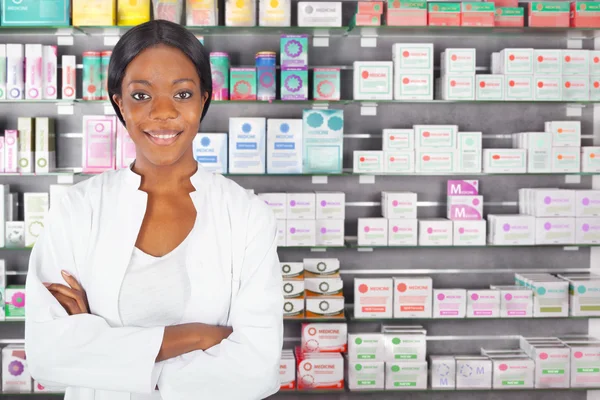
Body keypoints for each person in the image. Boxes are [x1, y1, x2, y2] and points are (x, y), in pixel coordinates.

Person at [24, 20, 283, 400]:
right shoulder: (78, 209)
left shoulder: (247, 215)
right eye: (142, 96)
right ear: (119, 103)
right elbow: (48, 356)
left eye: (182, 94)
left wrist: (104, 352)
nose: (163, 113)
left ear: (204, 100)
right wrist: (195, 337)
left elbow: (258, 371)